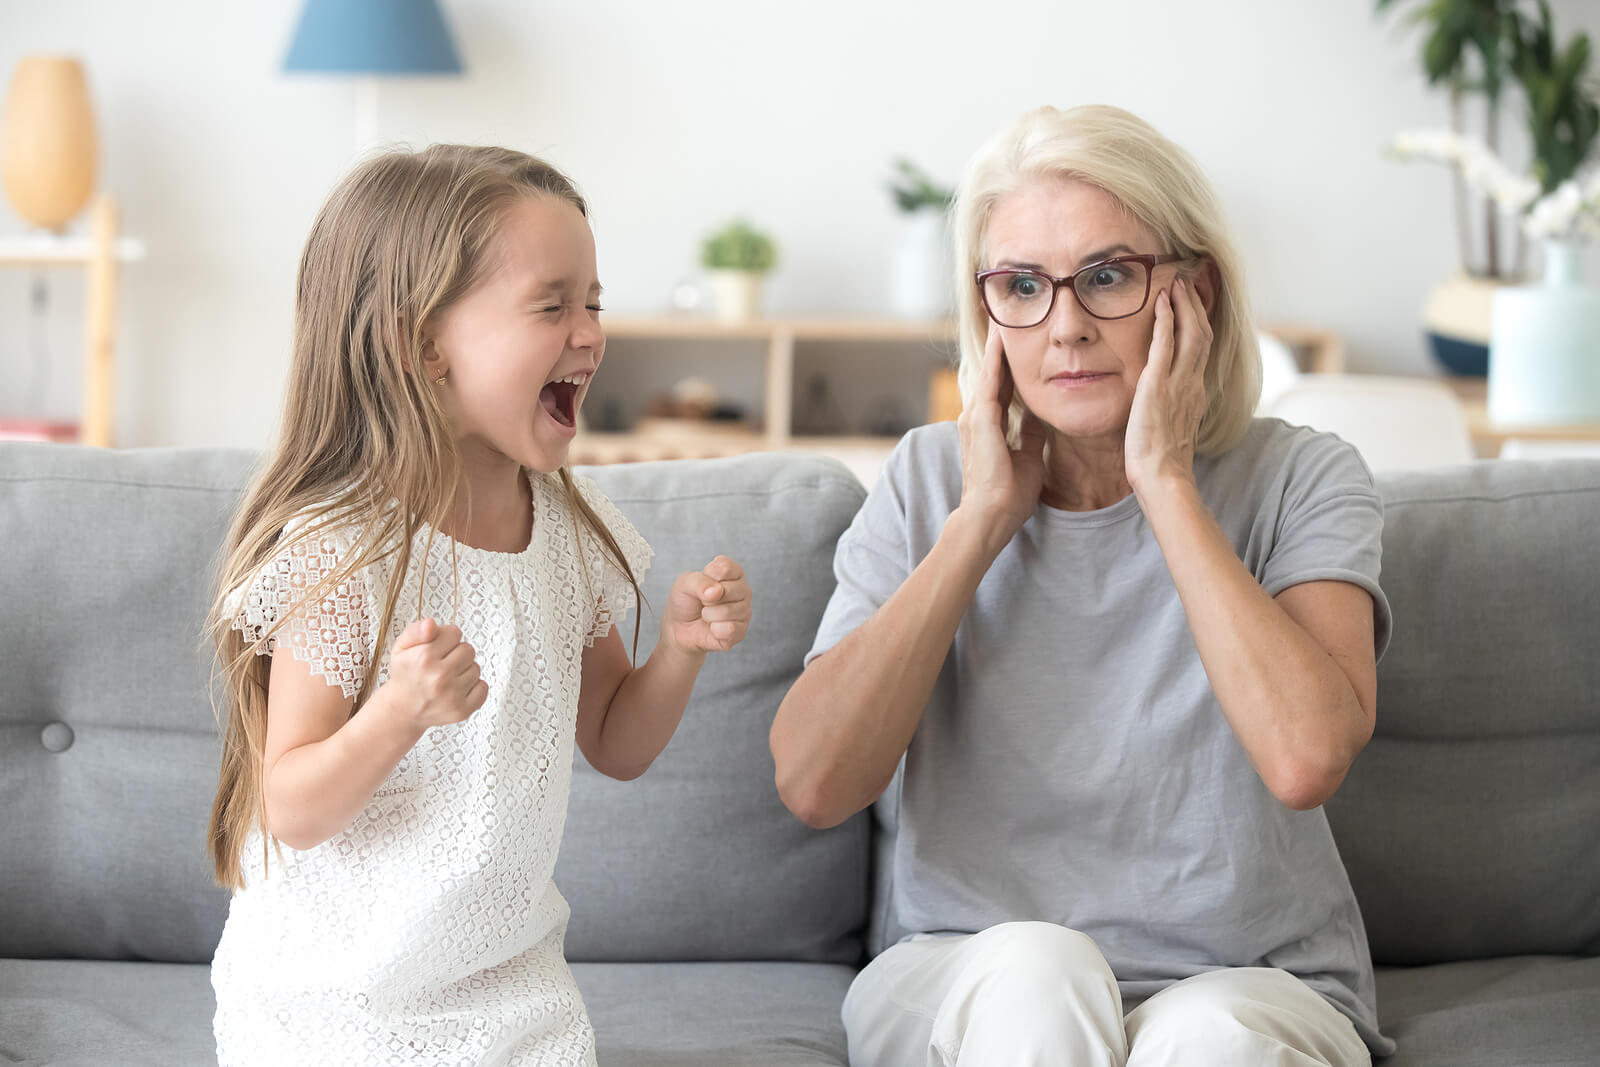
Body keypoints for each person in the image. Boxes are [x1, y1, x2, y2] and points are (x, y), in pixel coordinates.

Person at [771, 105, 1394, 1066]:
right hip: (967, 967)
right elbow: (815, 783)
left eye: (1107, 276)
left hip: (1254, 978)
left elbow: (1306, 759)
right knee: (1040, 970)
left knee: (1210, 1037)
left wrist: (1166, 482)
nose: (1065, 327)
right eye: (1022, 286)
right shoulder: (929, 480)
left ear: (1196, 292)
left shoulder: (1303, 477)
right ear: (988, 311)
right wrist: (981, 519)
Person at [206, 145, 753, 1065]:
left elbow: (615, 741)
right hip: (330, 994)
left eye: (594, 303)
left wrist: (678, 649)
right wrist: (398, 713)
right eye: (552, 305)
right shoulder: (343, 549)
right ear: (425, 343)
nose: (590, 335)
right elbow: (290, 806)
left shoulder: (571, 532)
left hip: (508, 989)